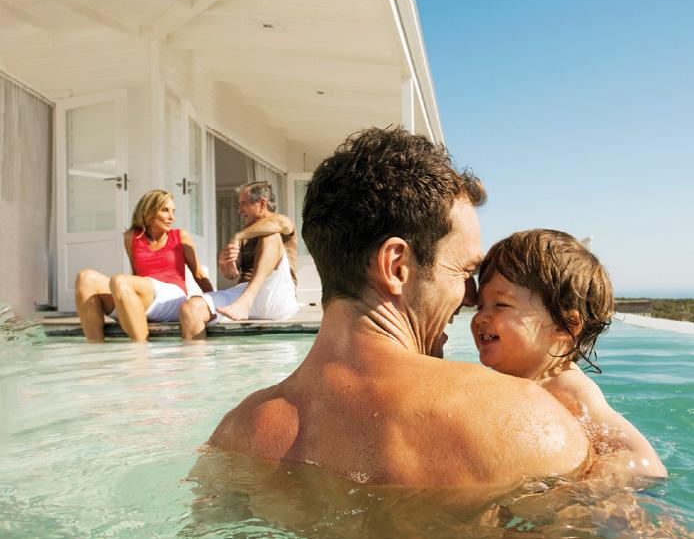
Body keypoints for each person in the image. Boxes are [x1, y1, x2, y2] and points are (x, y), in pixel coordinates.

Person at [205, 127, 590, 489]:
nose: (472, 298)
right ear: (396, 267)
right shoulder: (522, 422)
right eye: (464, 271)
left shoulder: (235, 434)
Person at [471, 229, 667, 478]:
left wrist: (586, 490)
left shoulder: (566, 387)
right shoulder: (515, 382)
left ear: (564, 326)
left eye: (501, 304)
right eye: (480, 306)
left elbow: (640, 460)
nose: (481, 317)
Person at [75, 189, 213, 342]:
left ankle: (140, 349)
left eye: (173, 211)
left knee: (120, 280)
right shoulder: (131, 237)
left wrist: (214, 304)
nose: (171, 217)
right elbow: (136, 273)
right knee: (85, 278)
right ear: (148, 211)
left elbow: (198, 274)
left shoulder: (180, 236)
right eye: (165, 210)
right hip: (145, 296)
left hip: (172, 298)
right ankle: (95, 347)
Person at [179, 181, 298, 339]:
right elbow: (231, 275)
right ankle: (197, 356)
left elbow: (281, 223)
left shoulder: (281, 222)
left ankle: (246, 301)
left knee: (270, 236)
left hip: (276, 294)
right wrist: (225, 263)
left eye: (243, 204)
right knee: (191, 308)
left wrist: (237, 236)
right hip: (243, 292)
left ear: (262, 204)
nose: (239, 210)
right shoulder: (246, 234)